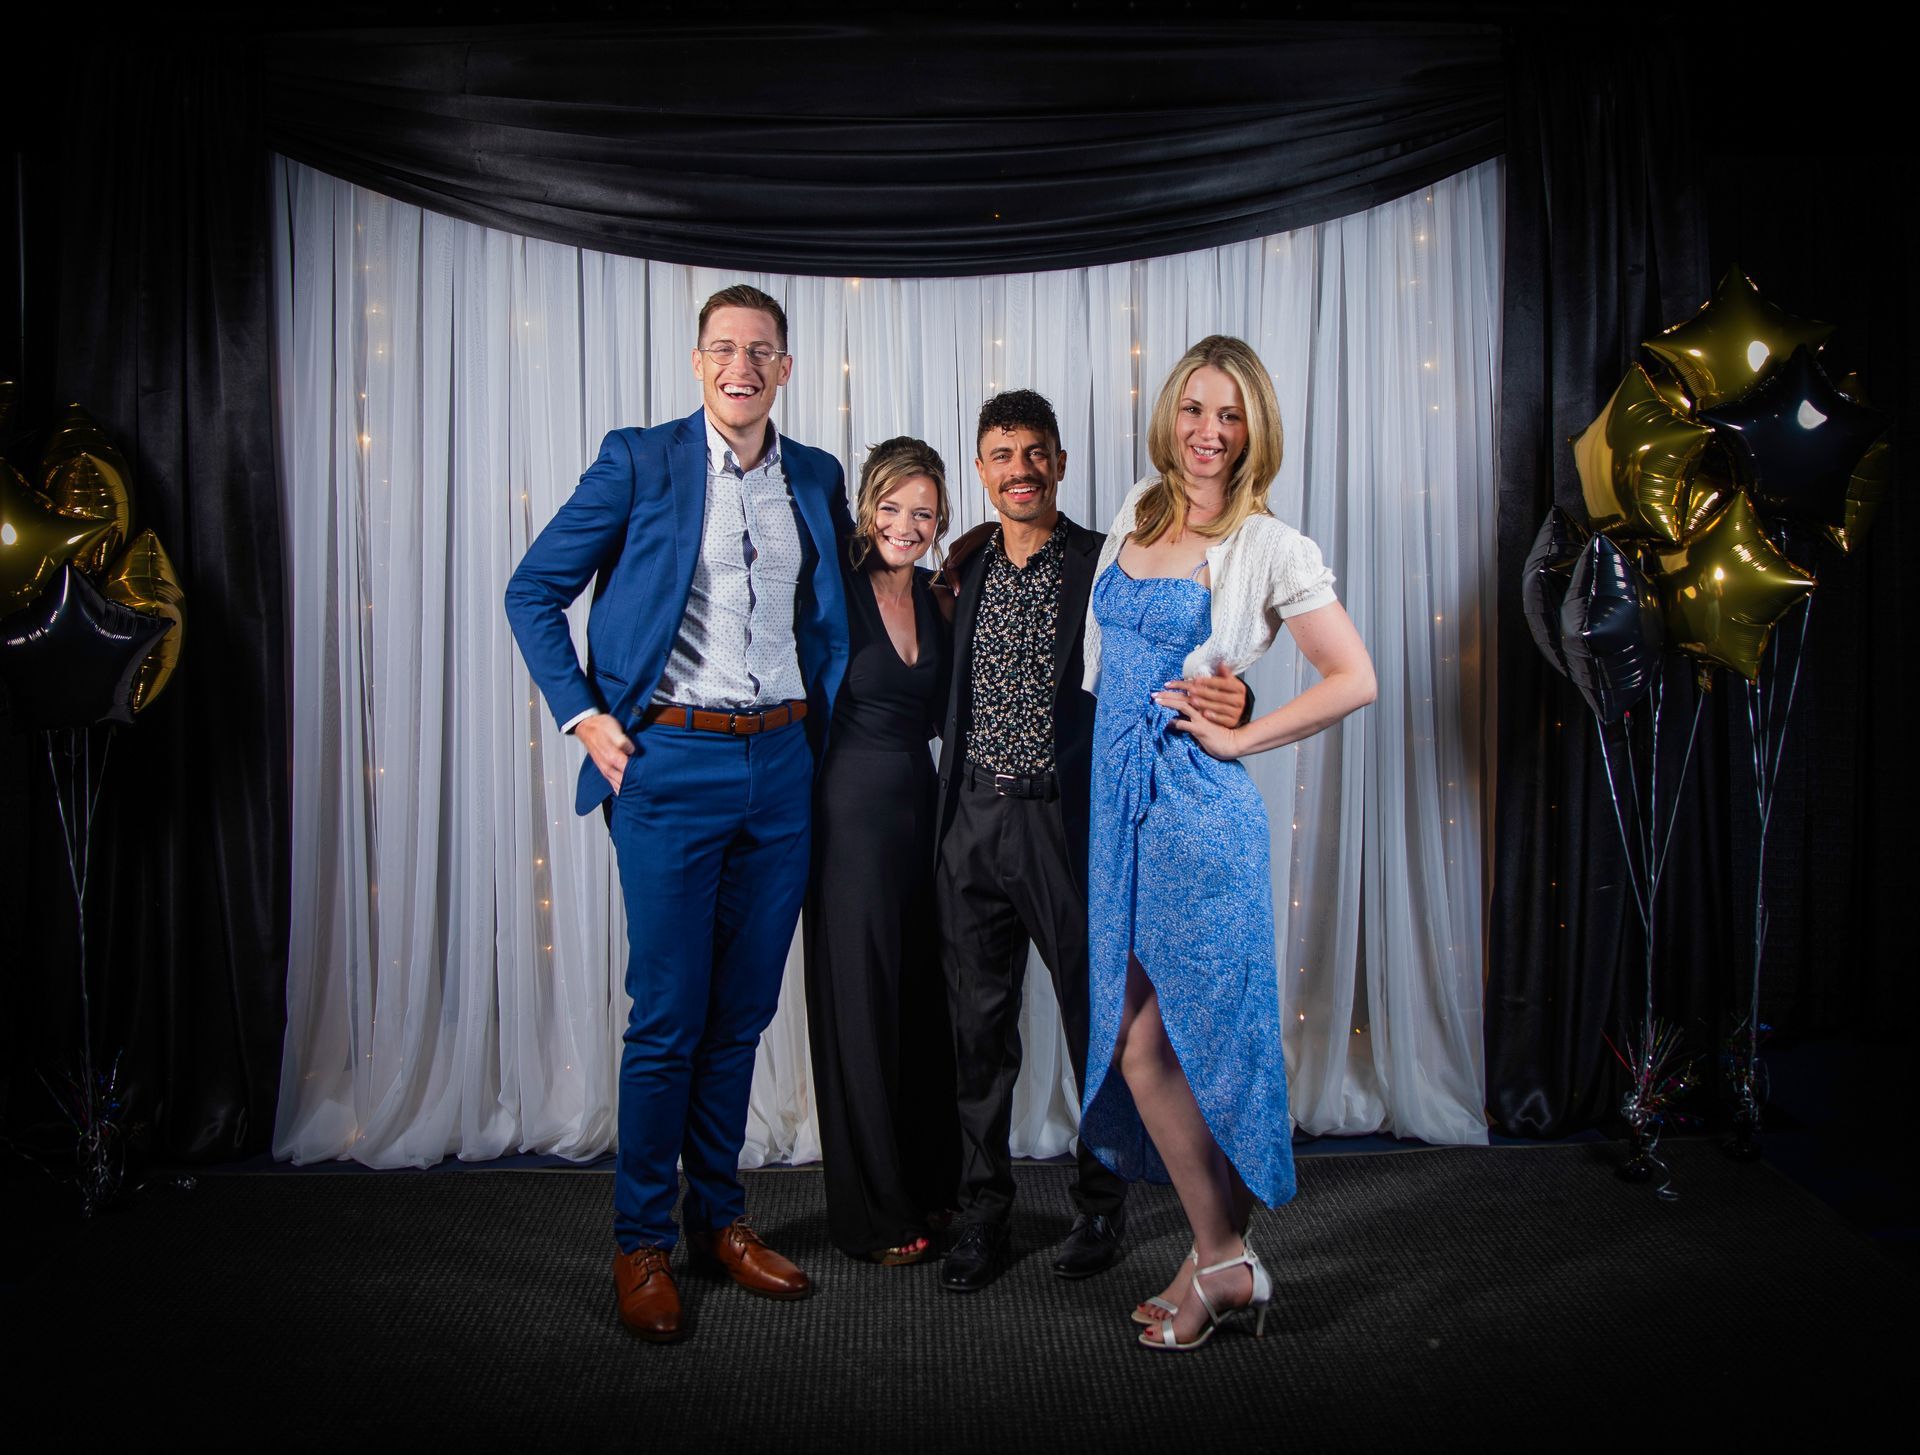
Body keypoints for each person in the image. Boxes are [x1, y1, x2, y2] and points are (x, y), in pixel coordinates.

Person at [503, 284, 853, 1343]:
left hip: (781, 766)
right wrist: (585, 717)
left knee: (741, 1013)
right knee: (667, 1017)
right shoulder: (638, 460)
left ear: (785, 368)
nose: (742, 365)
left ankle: (719, 1220)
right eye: (724, 348)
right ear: (698, 362)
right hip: (670, 766)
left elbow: (834, 613)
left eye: (762, 350)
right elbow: (532, 590)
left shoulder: (816, 475)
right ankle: (641, 1241)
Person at [1078, 335, 1376, 1351]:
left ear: (1255, 430)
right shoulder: (1139, 507)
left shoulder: (1270, 543)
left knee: (1202, 1042)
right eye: (1196, 408)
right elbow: (1107, 666)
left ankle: (1221, 1263)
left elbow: (1355, 677)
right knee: (1139, 1040)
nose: (1209, 432)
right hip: (1119, 809)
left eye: (1231, 415)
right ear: (1172, 414)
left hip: (1197, 815)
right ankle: (1218, 1257)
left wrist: (1243, 733)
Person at [932, 390, 1251, 1293]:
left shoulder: (1106, 559)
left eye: (1036, 452)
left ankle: (1100, 1204)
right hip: (971, 822)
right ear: (981, 470)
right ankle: (982, 1212)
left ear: (1061, 463)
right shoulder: (964, 566)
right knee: (977, 1034)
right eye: (1002, 455)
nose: (1020, 470)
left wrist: (1234, 701)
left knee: (1099, 1024)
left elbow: (1180, 645)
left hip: (1068, 826)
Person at [804, 437, 961, 1265]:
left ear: (941, 519)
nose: (906, 524)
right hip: (849, 823)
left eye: (923, 512)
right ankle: (873, 1211)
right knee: (861, 1010)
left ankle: (928, 1181)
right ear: (867, 509)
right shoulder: (834, 586)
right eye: (892, 507)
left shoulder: (937, 599)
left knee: (920, 1004)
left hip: (920, 817)